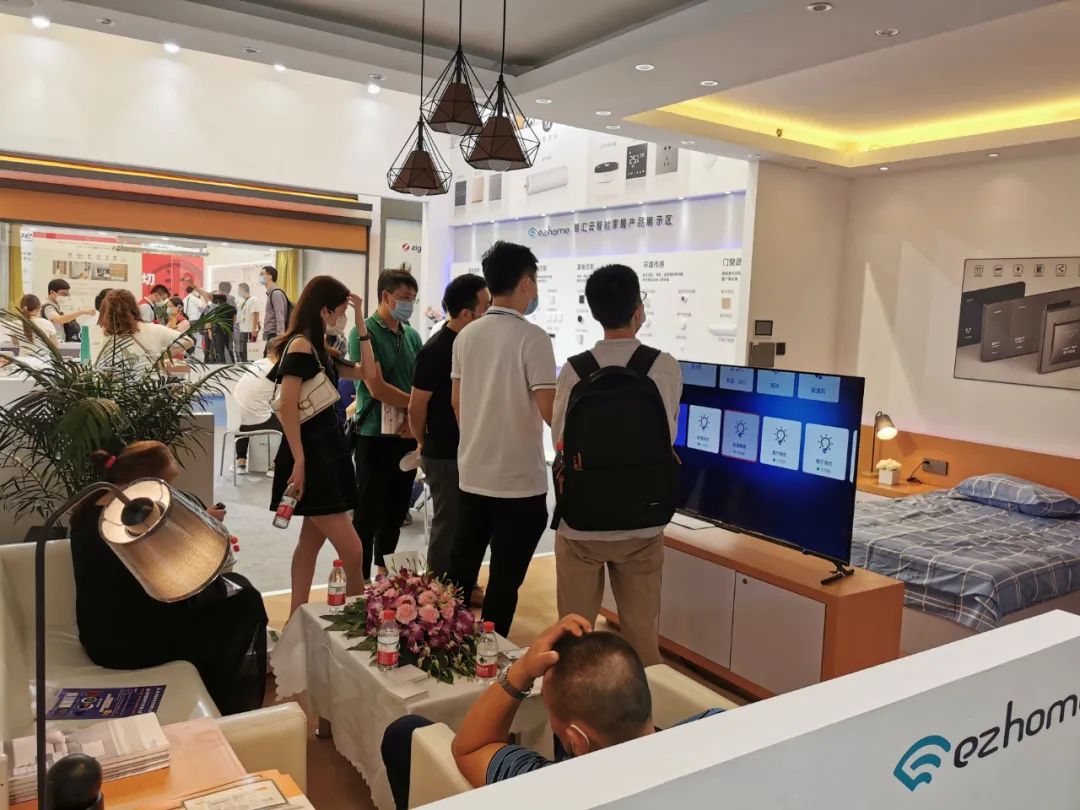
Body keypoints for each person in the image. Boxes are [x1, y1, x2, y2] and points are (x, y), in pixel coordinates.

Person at [380, 616, 724, 806]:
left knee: (404, 731)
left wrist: (522, 670)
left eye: (553, 719)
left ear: (577, 740)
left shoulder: (543, 787)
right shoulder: (717, 728)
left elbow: (469, 748)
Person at [69, 441, 268, 715]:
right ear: (151, 477)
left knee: (229, 594)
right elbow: (182, 575)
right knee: (245, 600)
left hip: (100, 638)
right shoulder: (134, 519)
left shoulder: (92, 508)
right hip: (137, 642)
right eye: (171, 460)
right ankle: (224, 699)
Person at [551, 265, 682, 667]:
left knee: (574, 638)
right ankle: (649, 702)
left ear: (593, 312)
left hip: (581, 523)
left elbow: (559, 440)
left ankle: (573, 703)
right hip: (644, 521)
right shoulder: (664, 366)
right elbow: (668, 437)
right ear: (638, 310)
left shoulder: (575, 369)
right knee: (642, 637)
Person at [442, 241, 556, 637]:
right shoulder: (533, 338)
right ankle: (490, 653)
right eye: (535, 281)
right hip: (518, 484)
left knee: (460, 576)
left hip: (473, 476)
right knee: (504, 583)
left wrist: (481, 435)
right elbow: (550, 411)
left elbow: (456, 402)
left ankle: (447, 646)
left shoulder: (466, 336)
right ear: (525, 283)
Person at [268, 275, 376, 616]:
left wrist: (361, 323)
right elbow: (287, 406)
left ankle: (295, 618)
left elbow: (368, 373)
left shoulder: (321, 351)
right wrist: (299, 460)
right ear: (324, 310)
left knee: (310, 543)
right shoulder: (301, 346)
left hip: (328, 453)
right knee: (353, 550)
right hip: (314, 458)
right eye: (341, 311)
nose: (342, 318)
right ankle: (359, 621)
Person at [407, 274, 489, 574]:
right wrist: (423, 442)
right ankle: (440, 589)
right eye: (486, 307)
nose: (490, 312)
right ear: (467, 313)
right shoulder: (436, 350)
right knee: (449, 522)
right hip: (444, 451)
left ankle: (463, 583)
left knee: (470, 522)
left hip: (472, 449)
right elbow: (416, 407)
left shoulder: (474, 345)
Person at [348, 269, 422, 579]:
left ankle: (384, 572)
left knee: (396, 507)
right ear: (386, 296)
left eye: (413, 299)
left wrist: (415, 420)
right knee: (368, 509)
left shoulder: (411, 335)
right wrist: (414, 405)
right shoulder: (364, 333)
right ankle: (359, 576)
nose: (409, 304)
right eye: (404, 298)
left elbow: (420, 383)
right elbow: (375, 387)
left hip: (406, 434)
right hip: (373, 433)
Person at [96, 289, 193, 371]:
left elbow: (102, 366)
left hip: (120, 386)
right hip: (148, 384)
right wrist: (159, 357)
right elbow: (188, 341)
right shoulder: (154, 329)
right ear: (134, 308)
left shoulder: (106, 335)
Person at [233, 347, 282, 474]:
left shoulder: (257, 364)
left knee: (245, 412)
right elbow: (281, 402)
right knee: (289, 427)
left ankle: (241, 461)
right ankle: (275, 466)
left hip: (236, 421)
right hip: (259, 422)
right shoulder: (277, 370)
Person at [13, 294, 59, 360]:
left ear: (21, 308)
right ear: (39, 307)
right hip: (44, 362)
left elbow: (15, 342)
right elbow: (55, 345)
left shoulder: (15, 324)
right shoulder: (46, 323)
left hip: (23, 363)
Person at [260, 266, 290, 357]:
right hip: (271, 334)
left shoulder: (276, 293)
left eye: (262, 274)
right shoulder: (271, 293)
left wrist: (280, 337)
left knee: (269, 360)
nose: (260, 276)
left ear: (270, 277)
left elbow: (280, 316)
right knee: (268, 360)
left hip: (274, 335)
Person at [236, 281, 259, 362]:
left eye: (239, 290)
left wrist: (254, 329)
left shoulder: (253, 300)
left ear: (243, 290)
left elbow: (255, 314)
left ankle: (251, 367)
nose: (238, 291)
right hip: (242, 330)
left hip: (250, 331)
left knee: (250, 354)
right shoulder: (242, 301)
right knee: (243, 353)